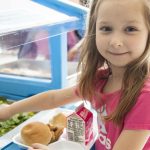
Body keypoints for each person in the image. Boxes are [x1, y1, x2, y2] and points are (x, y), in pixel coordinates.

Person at [1, 0, 150, 149]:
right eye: (106, 28)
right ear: (94, 30)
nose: (115, 42)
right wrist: (10, 110)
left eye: (130, 29)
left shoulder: (145, 97)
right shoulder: (101, 79)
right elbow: (53, 98)